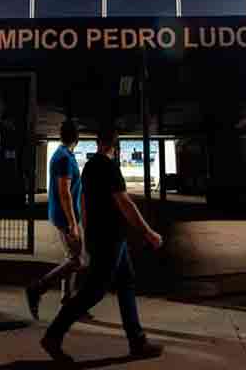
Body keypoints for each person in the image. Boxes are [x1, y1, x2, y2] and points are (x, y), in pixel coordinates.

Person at [41, 125, 164, 362]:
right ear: (114, 147)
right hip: (111, 239)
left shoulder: (89, 167)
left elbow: (84, 202)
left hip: (102, 237)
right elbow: (125, 203)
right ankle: (53, 336)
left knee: (126, 283)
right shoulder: (109, 167)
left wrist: (86, 231)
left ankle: (137, 340)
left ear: (98, 142)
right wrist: (148, 233)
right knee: (93, 292)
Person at [27, 119, 85, 319]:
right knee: (77, 260)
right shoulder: (64, 158)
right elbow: (64, 192)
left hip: (62, 215)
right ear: (76, 138)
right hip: (65, 218)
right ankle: (37, 288)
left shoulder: (62, 155)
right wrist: (72, 224)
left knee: (72, 258)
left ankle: (67, 302)